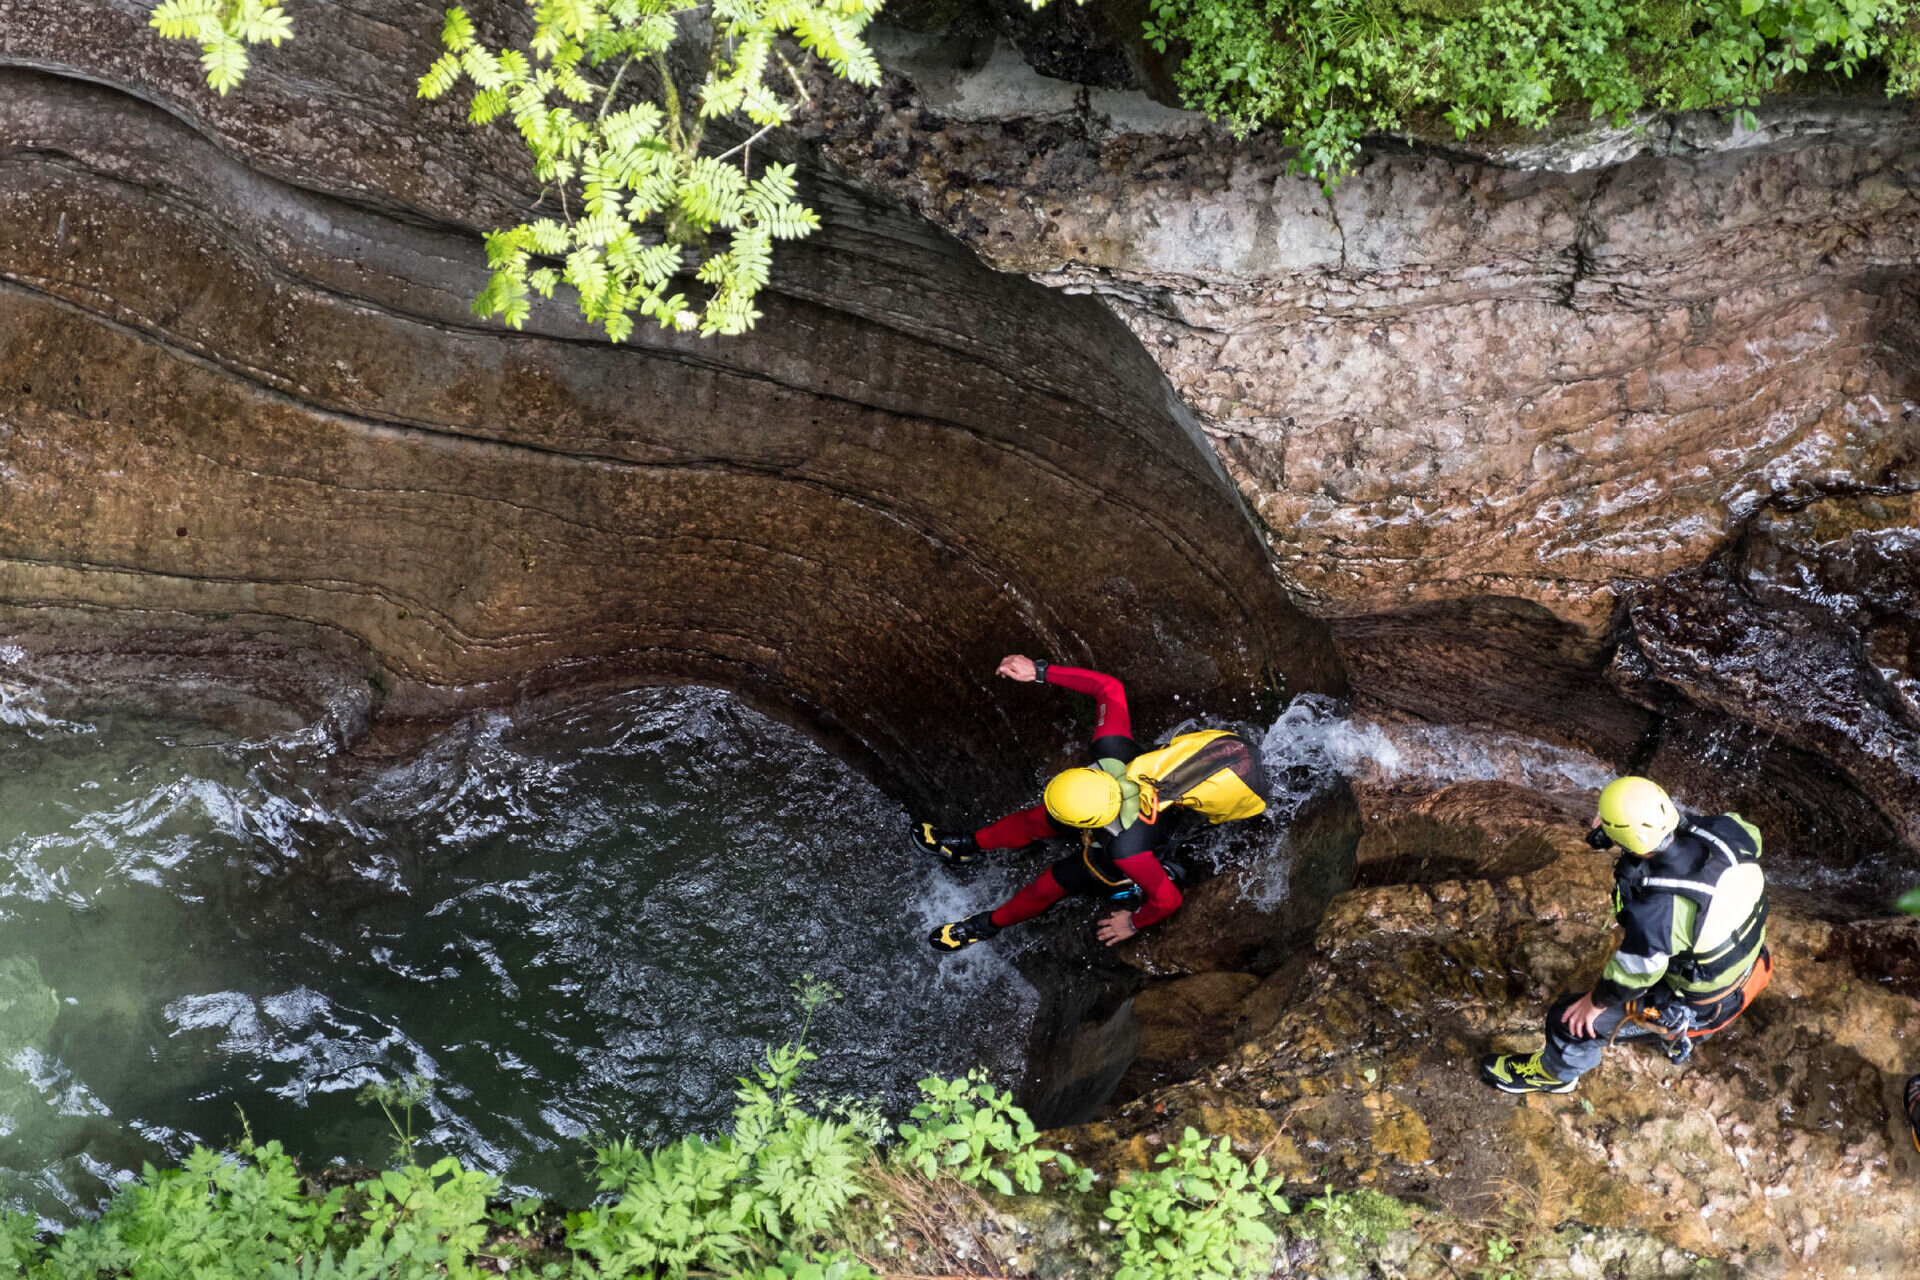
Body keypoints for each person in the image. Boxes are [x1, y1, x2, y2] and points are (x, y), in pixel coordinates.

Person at [915, 655, 1267, 953]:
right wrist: (1037, 671)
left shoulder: (1127, 850)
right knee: (1034, 821)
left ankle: (984, 926)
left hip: (1171, 824)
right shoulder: (1112, 752)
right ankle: (966, 847)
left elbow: (1168, 900)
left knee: (1053, 883)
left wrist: (1133, 921)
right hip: (1221, 757)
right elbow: (1108, 688)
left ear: (1091, 822)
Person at [1481, 776, 1773, 1094]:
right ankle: (1666, 1034)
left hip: (1703, 1007)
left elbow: (1635, 972)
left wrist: (1593, 1004)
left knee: (1568, 1021)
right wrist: (1628, 835)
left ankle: (1556, 1076)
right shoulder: (1730, 832)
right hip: (1747, 963)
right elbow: (1691, 841)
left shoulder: (1660, 910)